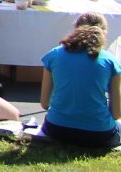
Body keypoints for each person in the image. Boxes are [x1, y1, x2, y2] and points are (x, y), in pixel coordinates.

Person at [39, 13, 121, 149]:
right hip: (99, 134)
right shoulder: (110, 61)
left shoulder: (54, 54)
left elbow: (44, 103)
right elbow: (117, 113)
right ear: (104, 33)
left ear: (75, 28)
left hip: (56, 129)